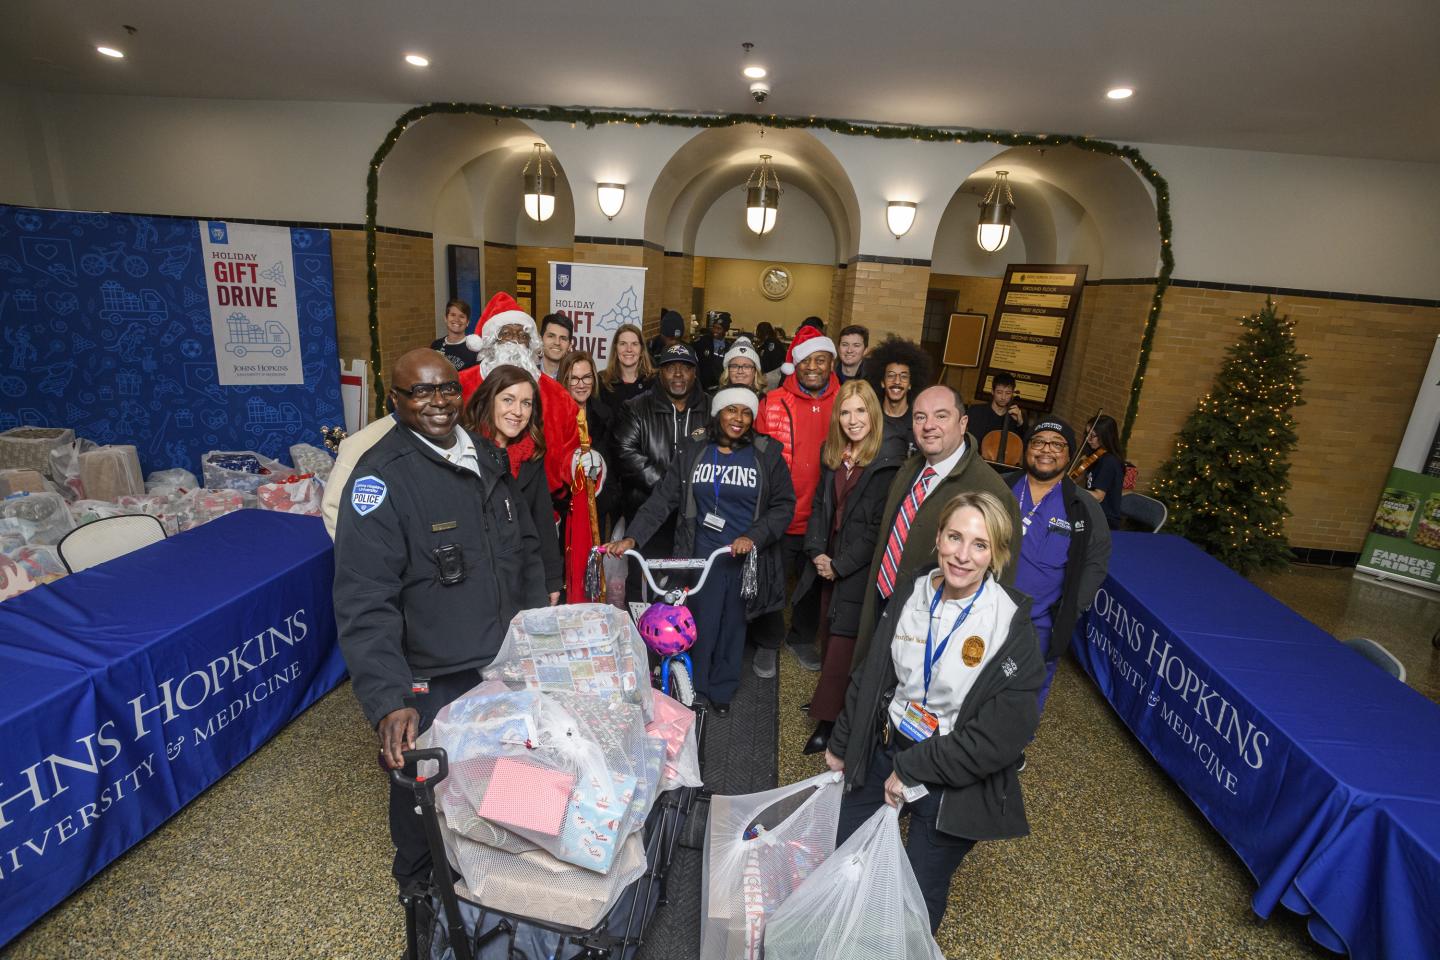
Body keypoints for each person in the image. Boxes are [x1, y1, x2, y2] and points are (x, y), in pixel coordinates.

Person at [333, 347, 547, 895]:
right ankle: (420, 887)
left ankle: (485, 877)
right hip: (433, 674)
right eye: (421, 391)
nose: (437, 401)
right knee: (423, 791)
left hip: (499, 660)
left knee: (497, 776)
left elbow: (523, 549)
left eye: (447, 388)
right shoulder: (380, 479)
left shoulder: (486, 454)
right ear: (395, 400)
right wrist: (389, 699)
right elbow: (364, 601)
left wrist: (534, 637)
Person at [825, 491, 1043, 934]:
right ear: (938, 537)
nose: (962, 555)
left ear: (997, 554)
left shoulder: (1009, 628)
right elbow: (873, 672)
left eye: (980, 545)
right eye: (954, 537)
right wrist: (844, 740)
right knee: (842, 852)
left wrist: (912, 770)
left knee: (915, 895)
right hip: (890, 745)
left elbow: (997, 740)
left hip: (952, 774)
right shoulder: (913, 591)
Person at [605, 386, 795, 713]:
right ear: (717, 414)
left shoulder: (766, 454)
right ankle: (698, 690)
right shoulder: (694, 451)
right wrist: (632, 538)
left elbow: (783, 506)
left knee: (734, 626)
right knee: (701, 623)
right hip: (701, 555)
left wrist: (753, 537)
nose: (738, 418)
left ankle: (722, 691)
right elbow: (662, 499)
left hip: (741, 558)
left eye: (746, 412)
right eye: (731, 410)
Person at [853, 384, 1021, 664]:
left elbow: (1001, 578)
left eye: (941, 416)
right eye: (920, 417)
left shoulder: (991, 491)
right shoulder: (909, 469)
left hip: (935, 630)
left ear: (963, 423)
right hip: (884, 605)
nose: (929, 425)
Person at [457, 293, 600, 601]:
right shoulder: (459, 389)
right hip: (475, 545)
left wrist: (581, 463)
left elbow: (565, 462)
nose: (514, 342)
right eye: (506, 334)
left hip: (534, 531)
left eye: (521, 335)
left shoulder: (556, 399)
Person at [794, 379, 906, 755]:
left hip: (858, 570)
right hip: (828, 563)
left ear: (873, 414)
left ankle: (830, 724)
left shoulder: (887, 462)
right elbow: (820, 507)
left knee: (845, 645)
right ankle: (830, 703)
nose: (853, 419)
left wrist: (840, 565)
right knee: (829, 636)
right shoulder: (834, 454)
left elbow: (879, 529)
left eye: (860, 411)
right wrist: (816, 552)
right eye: (845, 412)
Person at [752, 324, 841, 677]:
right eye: (806, 361)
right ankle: (767, 641)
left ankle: (802, 637)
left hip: (824, 515)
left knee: (813, 581)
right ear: (795, 364)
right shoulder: (773, 402)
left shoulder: (846, 403)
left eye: (821, 360)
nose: (813, 367)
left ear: (831, 363)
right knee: (771, 579)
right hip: (781, 512)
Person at [1010, 418, 1111, 713]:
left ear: (1069, 454)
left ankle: (1015, 740)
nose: (1046, 450)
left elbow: (1096, 561)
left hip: (1039, 625)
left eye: (1057, 444)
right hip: (984, 613)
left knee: (1025, 695)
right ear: (1027, 448)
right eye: (1038, 442)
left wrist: (1071, 610)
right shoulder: (1000, 488)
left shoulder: (1082, 506)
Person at [462, 364, 564, 604]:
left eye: (526, 403)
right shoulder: (465, 450)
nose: (518, 411)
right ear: (489, 400)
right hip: (477, 577)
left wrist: (552, 579)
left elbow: (542, 519)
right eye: (508, 400)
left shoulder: (532, 453)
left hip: (523, 573)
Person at [612, 342, 712, 573]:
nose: (678, 373)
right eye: (670, 367)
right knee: (644, 582)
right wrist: (672, 489)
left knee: (690, 581)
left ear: (695, 372)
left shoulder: (712, 409)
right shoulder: (636, 407)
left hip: (696, 517)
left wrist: (690, 493)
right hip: (646, 515)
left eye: (685, 367)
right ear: (660, 372)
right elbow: (625, 453)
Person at [559, 349, 620, 536]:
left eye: (586, 377)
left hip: (596, 509)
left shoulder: (605, 415)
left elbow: (611, 466)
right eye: (574, 378)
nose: (581, 384)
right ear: (564, 380)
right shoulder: (554, 417)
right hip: (563, 511)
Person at [864, 335, 933, 455]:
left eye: (904, 376)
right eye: (891, 375)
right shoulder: (869, 417)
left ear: (910, 384)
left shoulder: (919, 421)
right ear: (882, 382)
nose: (897, 381)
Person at [965, 372, 1026, 462]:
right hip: (973, 462)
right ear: (992, 392)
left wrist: (1020, 423)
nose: (1003, 397)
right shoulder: (975, 411)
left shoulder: (1017, 416)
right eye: (999, 392)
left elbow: (1027, 444)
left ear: (1012, 394)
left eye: (1008, 393)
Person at [1079, 414, 1126, 529]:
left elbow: (1098, 496)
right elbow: (1082, 478)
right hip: (1091, 512)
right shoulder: (1095, 455)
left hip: (1104, 521)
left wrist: (1071, 489)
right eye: (1087, 434)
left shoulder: (1108, 462)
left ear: (1105, 436)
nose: (1088, 439)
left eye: (1092, 435)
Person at [598, 322, 654, 407]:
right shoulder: (602, 380)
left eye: (634, 344)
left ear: (642, 350)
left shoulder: (654, 381)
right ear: (616, 349)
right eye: (623, 344)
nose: (629, 349)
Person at [430, 298, 480, 371]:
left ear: (467, 322)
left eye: (462, 316)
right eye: (453, 315)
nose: (457, 319)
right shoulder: (436, 345)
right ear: (446, 318)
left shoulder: (474, 349)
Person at [693, 310, 733, 391]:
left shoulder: (729, 347)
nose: (715, 331)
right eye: (714, 327)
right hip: (703, 386)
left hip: (720, 387)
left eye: (719, 329)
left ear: (725, 330)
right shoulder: (703, 341)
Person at [538, 313, 574, 379]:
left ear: (569, 345)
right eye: (551, 336)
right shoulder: (527, 372)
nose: (557, 343)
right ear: (540, 340)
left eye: (563, 338)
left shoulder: (574, 376)